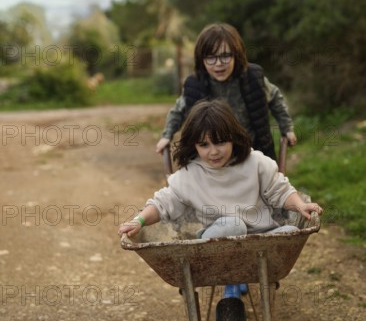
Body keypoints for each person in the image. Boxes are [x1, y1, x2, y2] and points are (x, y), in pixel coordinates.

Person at [119, 100, 322, 242]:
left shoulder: (255, 163)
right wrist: (139, 220)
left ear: (233, 137)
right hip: (218, 240)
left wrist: (300, 205)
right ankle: (215, 260)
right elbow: (163, 204)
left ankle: (252, 271)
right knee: (234, 225)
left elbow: (280, 191)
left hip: (263, 237)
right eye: (204, 145)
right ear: (194, 146)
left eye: (220, 142)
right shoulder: (190, 175)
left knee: (290, 232)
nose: (213, 152)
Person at [156, 23, 297, 161]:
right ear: (201, 59)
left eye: (225, 56)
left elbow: (275, 98)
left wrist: (287, 128)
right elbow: (178, 111)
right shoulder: (195, 85)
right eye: (210, 57)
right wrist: (166, 136)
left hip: (251, 155)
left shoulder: (252, 78)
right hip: (212, 160)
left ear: (236, 55)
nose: (218, 63)